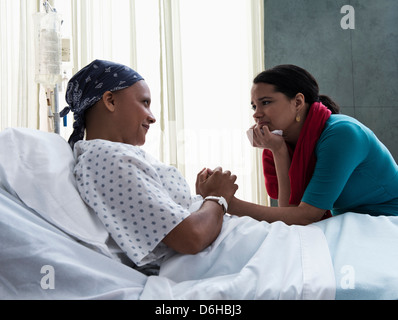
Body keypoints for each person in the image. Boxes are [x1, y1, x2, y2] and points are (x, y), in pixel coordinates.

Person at [60, 59, 238, 274]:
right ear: (110, 101)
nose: (152, 117)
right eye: (144, 102)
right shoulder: (106, 157)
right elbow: (193, 237)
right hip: (222, 252)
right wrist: (217, 197)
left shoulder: (115, 155)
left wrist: (204, 198)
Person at [228, 64, 398, 225]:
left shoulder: (342, 134)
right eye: (254, 106)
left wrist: (228, 202)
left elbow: (306, 216)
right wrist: (278, 150)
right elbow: (289, 212)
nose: (256, 114)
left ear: (298, 102)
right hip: (351, 223)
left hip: (388, 220)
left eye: (265, 102)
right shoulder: (286, 143)